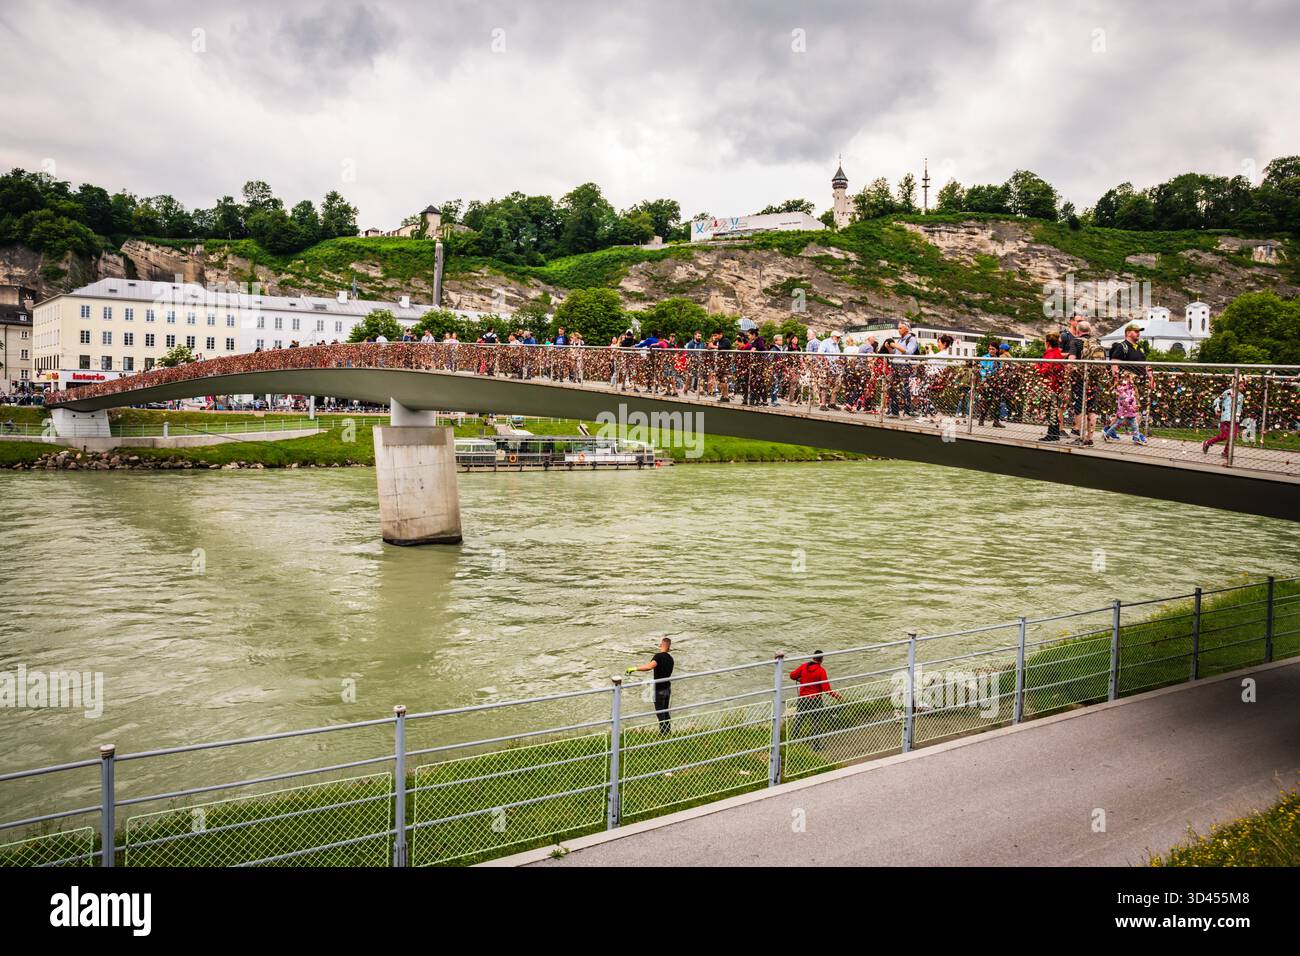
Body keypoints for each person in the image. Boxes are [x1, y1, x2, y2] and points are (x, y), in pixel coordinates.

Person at [788, 652, 842, 751]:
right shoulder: (821, 671)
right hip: (815, 700)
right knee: (816, 722)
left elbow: (792, 675)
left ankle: (793, 740)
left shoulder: (804, 666)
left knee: (799, 718)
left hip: (803, 699)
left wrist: (800, 679)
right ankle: (816, 745)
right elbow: (826, 689)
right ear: (822, 659)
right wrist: (837, 696)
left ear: (813, 657)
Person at [627, 638, 675, 735]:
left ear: (661, 645)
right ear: (669, 647)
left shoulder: (658, 657)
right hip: (667, 688)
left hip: (659, 689)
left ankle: (663, 734)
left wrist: (635, 668)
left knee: (660, 713)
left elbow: (649, 667)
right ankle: (668, 732)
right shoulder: (671, 659)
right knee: (666, 711)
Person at [1102, 370, 1147, 444]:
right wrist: (1133, 408)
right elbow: (1125, 401)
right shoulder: (1122, 389)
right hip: (1125, 411)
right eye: (1132, 379)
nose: (1133, 380)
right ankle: (1107, 434)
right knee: (1119, 424)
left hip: (1130, 411)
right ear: (1127, 379)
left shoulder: (1130, 388)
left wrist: (1136, 405)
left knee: (1134, 425)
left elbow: (1132, 398)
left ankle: (1136, 438)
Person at [1037, 332, 1066, 442]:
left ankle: (1052, 434)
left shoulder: (1050, 354)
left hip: (1050, 385)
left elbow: (1045, 369)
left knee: (1050, 409)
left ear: (1047, 343)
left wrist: (1036, 367)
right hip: (1057, 385)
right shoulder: (1058, 352)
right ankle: (1054, 433)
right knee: (1054, 409)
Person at [1202, 382, 1242, 458]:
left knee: (1233, 437)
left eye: (1243, 386)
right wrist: (1217, 409)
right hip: (1226, 418)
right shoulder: (1227, 393)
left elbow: (1239, 408)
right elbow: (1216, 401)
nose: (1242, 387)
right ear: (1235, 385)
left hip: (1235, 419)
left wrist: (1238, 416)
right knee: (1224, 436)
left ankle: (1225, 452)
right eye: (1240, 385)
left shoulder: (1241, 396)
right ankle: (1207, 443)